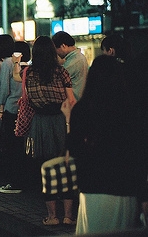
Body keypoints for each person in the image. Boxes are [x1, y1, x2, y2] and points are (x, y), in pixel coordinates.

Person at [62, 55, 147, 234]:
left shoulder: (83, 109)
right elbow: (139, 155)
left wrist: (69, 118)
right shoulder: (131, 110)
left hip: (93, 185)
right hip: (126, 187)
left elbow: (75, 150)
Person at [19, 36, 76, 226]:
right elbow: (71, 100)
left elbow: (25, 98)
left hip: (40, 123)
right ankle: (68, 216)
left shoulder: (28, 73)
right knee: (66, 167)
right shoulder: (62, 72)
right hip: (61, 121)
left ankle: (52, 217)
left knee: (46, 169)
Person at [0, 34, 25, 193]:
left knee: (10, 146)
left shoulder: (7, 63)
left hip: (11, 108)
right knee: (19, 145)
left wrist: (0, 109)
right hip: (23, 108)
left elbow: (4, 88)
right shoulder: (22, 61)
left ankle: (14, 181)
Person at [52, 31, 88, 101]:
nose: (56, 53)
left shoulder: (73, 62)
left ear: (63, 46)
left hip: (74, 103)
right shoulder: (79, 57)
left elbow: (56, 80)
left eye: (56, 49)